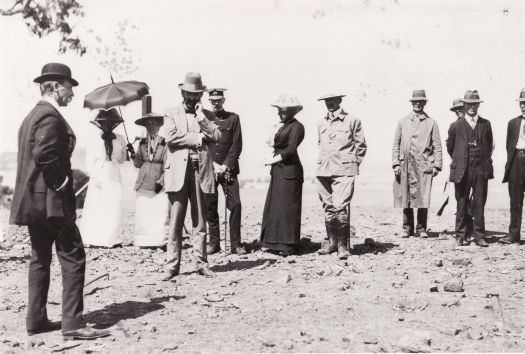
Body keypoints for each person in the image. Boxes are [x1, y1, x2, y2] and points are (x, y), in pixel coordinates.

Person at [9, 62, 109, 339]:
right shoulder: (50, 117)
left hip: (34, 204)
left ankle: (36, 320)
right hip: (52, 204)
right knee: (73, 256)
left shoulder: (31, 116)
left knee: (40, 259)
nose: (72, 94)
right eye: (69, 87)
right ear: (53, 87)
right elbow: (45, 155)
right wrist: (64, 183)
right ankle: (74, 323)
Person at [162, 72, 221, 280]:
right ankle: (172, 265)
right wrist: (198, 138)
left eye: (195, 95)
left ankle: (201, 263)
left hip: (200, 171)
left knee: (200, 222)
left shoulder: (208, 116)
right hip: (178, 173)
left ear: (200, 96)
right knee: (175, 222)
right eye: (188, 94)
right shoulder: (170, 113)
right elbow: (170, 137)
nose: (191, 98)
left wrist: (202, 119)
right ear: (182, 93)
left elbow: (216, 136)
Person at [316, 93, 367, 259]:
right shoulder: (321, 122)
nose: (329, 103)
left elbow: (361, 147)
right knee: (328, 206)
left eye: (333, 100)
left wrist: (351, 164)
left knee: (340, 206)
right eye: (326, 100)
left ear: (340, 101)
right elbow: (321, 145)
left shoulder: (352, 120)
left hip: (344, 171)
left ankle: (342, 246)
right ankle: (331, 243)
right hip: (323, 169)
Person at [392, 90, 442, 238]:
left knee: (423, 196)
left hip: (423, 165)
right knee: (405, 196)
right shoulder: (402, 122)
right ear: (412, 103)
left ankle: (421, 228)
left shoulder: (432, 123)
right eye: (415, 101)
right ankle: (407, 228)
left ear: (425, 103)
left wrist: (436, 165)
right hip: (405, 165)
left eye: (421, 101)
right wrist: (395, 163)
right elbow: (396, 144)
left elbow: (437, 146)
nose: (418, 104)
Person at [447, 90, 493, 247]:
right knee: (461, 201)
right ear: (464, 105)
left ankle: (479, 235)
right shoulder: (455, 126)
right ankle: (460, 235)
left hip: (480, 168)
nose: (472, 107)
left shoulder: (485, 124)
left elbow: (488, 145)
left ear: (478, 105)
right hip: (462, 169)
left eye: (475, 104)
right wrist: (460, 160)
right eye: (469, 104)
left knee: (479, 202)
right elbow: (450, 147)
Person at [260, 94, 305, 256]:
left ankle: (288, 245)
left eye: (283, 111)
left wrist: (272, 161)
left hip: (290, 170)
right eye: (279, 111)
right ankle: (273, 242)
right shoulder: (282, 126)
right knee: (276, 207)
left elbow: (291, 149)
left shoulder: (297, 127)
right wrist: (275, 128)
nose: (280, 114)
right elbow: (270, 143)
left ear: (293, 112)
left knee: (287, 209)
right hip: (279, 170)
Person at [80, 108, 127, 248]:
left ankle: (111, 239)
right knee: (98, 205)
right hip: (99, 172)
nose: (107, 124)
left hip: (114, 171)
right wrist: (95, 177)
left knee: (113, 204)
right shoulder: (94, 139)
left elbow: (122, 159)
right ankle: (96, 239)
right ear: (99, 123)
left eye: (110, 122)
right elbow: (89, 160)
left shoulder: (120, 138)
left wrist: (127, 151)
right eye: (103, 122)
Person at [205, 88, 245, 255]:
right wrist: (213, 164)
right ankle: (214, 244)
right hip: (209, 169)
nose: (216, 103)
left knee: (235, 205)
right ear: (209, 101)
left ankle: (235, 244)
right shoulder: (204, 119)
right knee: (210, 206)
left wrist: (226, 165)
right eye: (213, 100)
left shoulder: (233, 118)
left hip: (228, 170)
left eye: (219, 100)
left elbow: (237, 145)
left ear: (224, 100)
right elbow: (202, 144)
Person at [133, 95, 168, 248]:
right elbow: (137, 163)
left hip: (158, 179)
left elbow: (169, 164)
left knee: (159, 211)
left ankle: (160, 241)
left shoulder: (165, 143)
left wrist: (161, 181)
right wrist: (132, 154)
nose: (150, 127)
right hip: (143, 180)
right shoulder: (141, 142)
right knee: (143, 211)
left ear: (159, 126)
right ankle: (143, 241)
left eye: (153, 124)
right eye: (148, 124)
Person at [500, 88, 525, 244]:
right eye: (522, 103)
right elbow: (509, 145)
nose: (523, 106)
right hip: (516, 161)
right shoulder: (513, 123)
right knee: (515, 201)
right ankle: (514, 235)